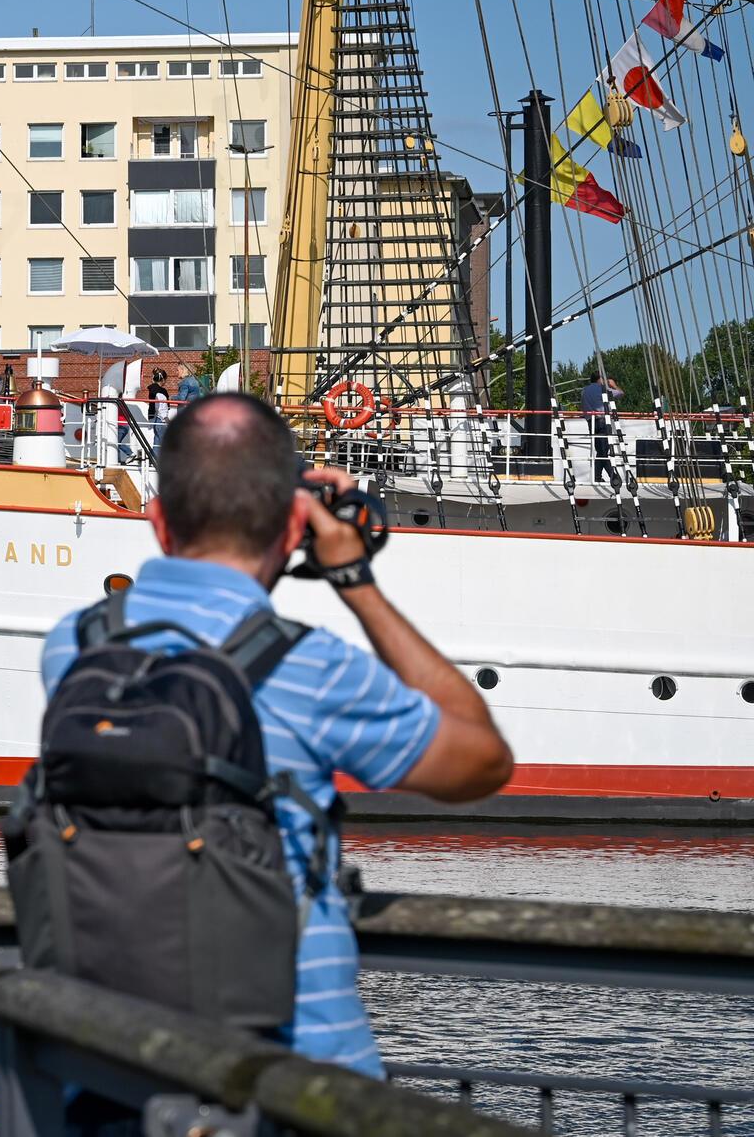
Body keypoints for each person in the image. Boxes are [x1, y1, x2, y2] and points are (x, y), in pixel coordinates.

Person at [39, 393, 512, 1077]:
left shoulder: (76, 647)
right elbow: (482, 763)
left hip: (113, 1066)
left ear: (157, 520)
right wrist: (353, 578)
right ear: (293, 528)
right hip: (288, 1078)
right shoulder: (313, 671)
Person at [581, 373, 623, 485]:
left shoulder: (584, 390)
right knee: (603, 451)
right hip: (603, 421)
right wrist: (613, 385)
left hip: (591, 422)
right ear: (599, 379)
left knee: (600, 450)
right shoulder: (603, 389)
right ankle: (614, 477)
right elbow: (620, 393)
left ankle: (597, 477)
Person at [146, 368, 171, 447]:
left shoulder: (152, 390)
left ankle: (154, 458)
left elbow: (154, 405)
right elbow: (160, 407)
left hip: (156, 419)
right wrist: (165, 418)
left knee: (157, 443)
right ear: (163, 380)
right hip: (161, 419)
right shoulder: (160, 392)